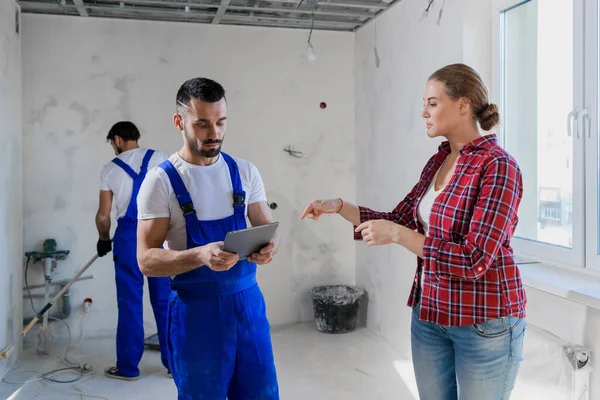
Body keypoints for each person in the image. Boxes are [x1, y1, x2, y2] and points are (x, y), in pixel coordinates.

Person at [301, 63, 527, 400]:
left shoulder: (498, 165)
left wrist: (397, 235)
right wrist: (338, 205)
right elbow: (400, 219)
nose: (423, 112)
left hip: (484, 320)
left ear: (463, 104)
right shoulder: (439, 161)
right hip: (431, 313)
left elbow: (474, 259)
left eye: (432, 103)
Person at [136, 77, 280, 399]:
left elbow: (266, 225)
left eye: (220, 122)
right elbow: (146, 260)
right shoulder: (161, 182)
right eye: (202, 124)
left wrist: (271, 247)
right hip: (196, 314)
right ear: (179, 122)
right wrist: (199, 255)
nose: (214, 133)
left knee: (263, 394)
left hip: (249, 309)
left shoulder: (244, 171)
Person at [95, 121, 171, 380]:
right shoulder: (160, 158)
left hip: (128, 237)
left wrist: (104, 239)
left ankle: (128, 368)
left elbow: (104, 216)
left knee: (129, 302)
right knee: (165, 300)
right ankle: (175, 364)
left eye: (112, 143)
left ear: (117, 139)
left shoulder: (109, 170)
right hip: (159, 232)